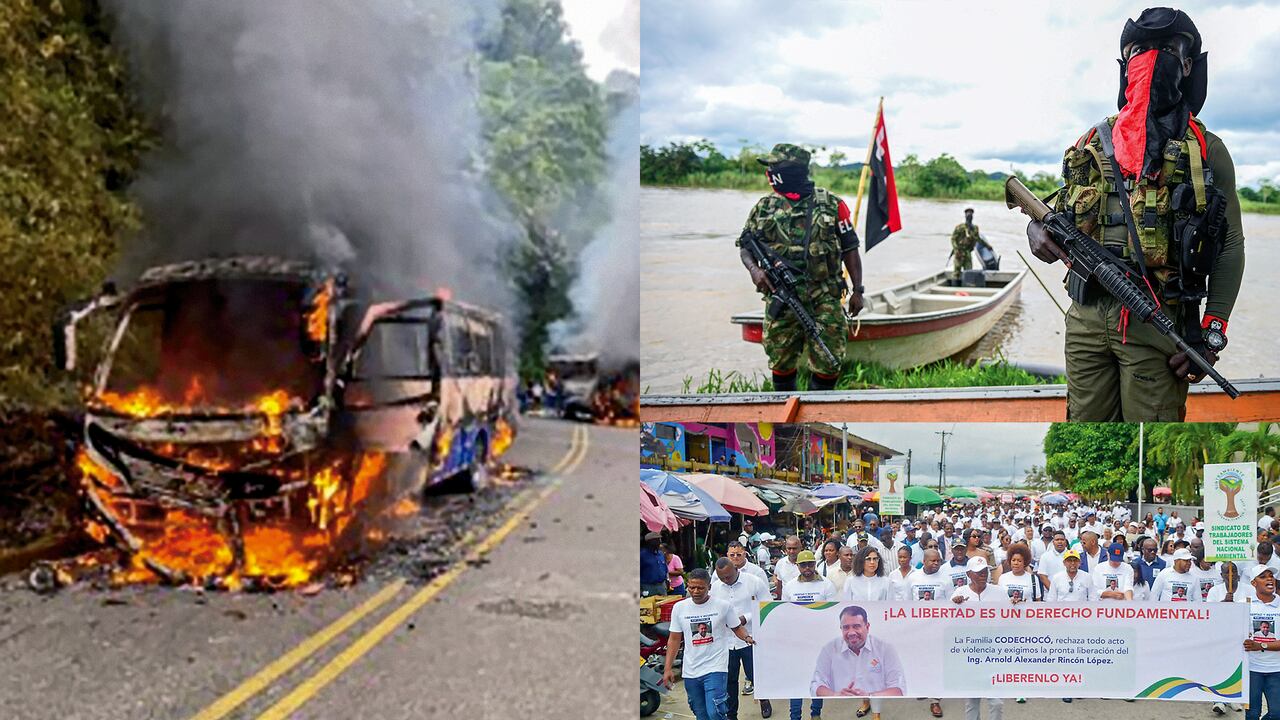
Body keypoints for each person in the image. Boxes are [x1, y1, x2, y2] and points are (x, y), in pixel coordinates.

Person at [1024, 7, 1245, 421]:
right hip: (1085, 319)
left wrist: (1211, 334)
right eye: (1139, 51)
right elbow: (1059, 214)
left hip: (1160, 321)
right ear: (1125, 68)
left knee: (1151, 434)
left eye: (1167, 50)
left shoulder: (1207, 150)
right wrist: (1036, 229)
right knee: (1085, 429)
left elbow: (1230, 243)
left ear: (1187, 65)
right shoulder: (1091, 142)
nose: (1151, 60)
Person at [737, 143, 864, 392]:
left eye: (775, 166)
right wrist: (755, 270)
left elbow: (851, 248)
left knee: (829, 361)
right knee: (780, 358)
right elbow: (745, 246)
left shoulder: (832, 204)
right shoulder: (764, 207)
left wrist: (858, 290)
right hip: (781, 298)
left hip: (824, 297)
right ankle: (787, 414)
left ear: (792, 170)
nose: (770, 171)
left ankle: (817, 410)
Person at [665, 569, 755, 720]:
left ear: (709, 587)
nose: (695, 591)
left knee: (715, 712)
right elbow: (674, 639)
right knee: (701, 714)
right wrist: (668, 668)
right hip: (691, 670)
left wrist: (747, 637)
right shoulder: (679, 608)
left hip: (716, 667)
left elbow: (736, 627)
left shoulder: (723, 606)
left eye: (700, 588)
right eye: (691, 587)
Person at [810, 605, 906, 711]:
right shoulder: (829, 649)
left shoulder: (885, 649)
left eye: (856, 626)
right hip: (839, 710)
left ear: (867, 627)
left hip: (881, 707)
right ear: (841, 628)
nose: (851, 632)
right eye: (846, 627)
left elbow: (898, 689)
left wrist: (870, 695)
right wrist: (835, 695)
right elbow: (816, 684)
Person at [711, 557, 773, 720]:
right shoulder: (716, 587)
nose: (725, 580)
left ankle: (764, 699)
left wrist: (746, 617)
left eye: (728, 577)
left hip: (751, 637)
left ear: (735, 570)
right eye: (721, 577)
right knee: (730, 680)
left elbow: (768, 605)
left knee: (755, 675)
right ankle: (732, 714)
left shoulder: (754, 582)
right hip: (727, 641)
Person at [949, 556, 1008, 719]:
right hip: (970, 656)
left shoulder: (999, 592)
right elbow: (947, 623)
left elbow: (1011, 617)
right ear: (969, 574)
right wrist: (954, 606)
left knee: (996, 702)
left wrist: (1018, 605)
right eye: (978, 572)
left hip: (994, 655)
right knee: (971, 702)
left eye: (985, 571)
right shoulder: (959, 593)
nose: (983, 575)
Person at [783, 551, 838, 720]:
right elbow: (784, 613)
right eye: (803, 565)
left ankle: (816, 713)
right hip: (797, 641)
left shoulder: (827, 585)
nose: (807, 568)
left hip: (819, 641)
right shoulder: (790, 586)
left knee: (818, 679)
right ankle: (795, 716)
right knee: (796, 680)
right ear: (797, 566)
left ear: (815, 564)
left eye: (810, 564)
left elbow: (833, 613)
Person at [906, 548, 947, 717]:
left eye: (938, 560)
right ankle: (922, 688)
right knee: (921, 660)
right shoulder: (913, 577)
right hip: (918, 628)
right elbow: (908, 602)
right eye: (933, 561)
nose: (936, 563)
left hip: (938, 628)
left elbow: (951, 603)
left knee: (936, 663)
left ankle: (935, 700)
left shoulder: (945, 578)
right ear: (924, 561)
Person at [1244, 566, 1280, 720]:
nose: (1269, 579)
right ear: (1253, 583)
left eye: (1271, 576)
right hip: (1251, 670)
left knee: (1277, 713)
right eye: (1263, 576)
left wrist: (1261, 645)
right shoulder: (1244, 604)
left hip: (1276, 670)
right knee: (1252, 714)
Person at [949, 207, 981, 282]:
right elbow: (953, 239)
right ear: (965, 216)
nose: (969, 216)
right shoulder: (960, 227)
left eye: (971, 214)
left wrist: (988, 246)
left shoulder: (974, 228)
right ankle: (954, 288)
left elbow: (978, 239)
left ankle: (967, 287)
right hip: (959, 252)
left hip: (967, 252)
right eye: (968, 214)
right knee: (956, 272)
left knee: (969, 272)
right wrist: (956, 249)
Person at [642, 532, 668, 597]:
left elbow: (665, 568)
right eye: (657, 540)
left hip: (662, 586)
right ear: (650, 542)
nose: (660, 542)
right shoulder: (642, 555)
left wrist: (667, 580)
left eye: (660, 540)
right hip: (648, 587)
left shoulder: (661, 554)